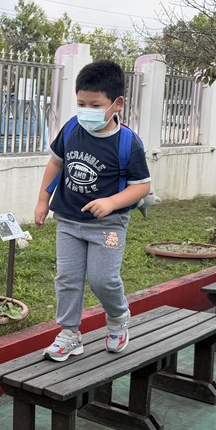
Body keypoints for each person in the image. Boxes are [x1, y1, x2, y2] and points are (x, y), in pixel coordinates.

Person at [34, 60, 151, 361]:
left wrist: (111, 202)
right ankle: (69, 334)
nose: (86, 111)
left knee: (103, 280)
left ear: (117, 104)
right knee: (67, 279)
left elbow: (142, 187)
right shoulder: (72, 128)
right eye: (81, 104)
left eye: (95, 105)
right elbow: (56, 162)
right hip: (68, 221)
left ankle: (118, 317)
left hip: (109, 227)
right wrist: (43, 200)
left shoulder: (128, 143)